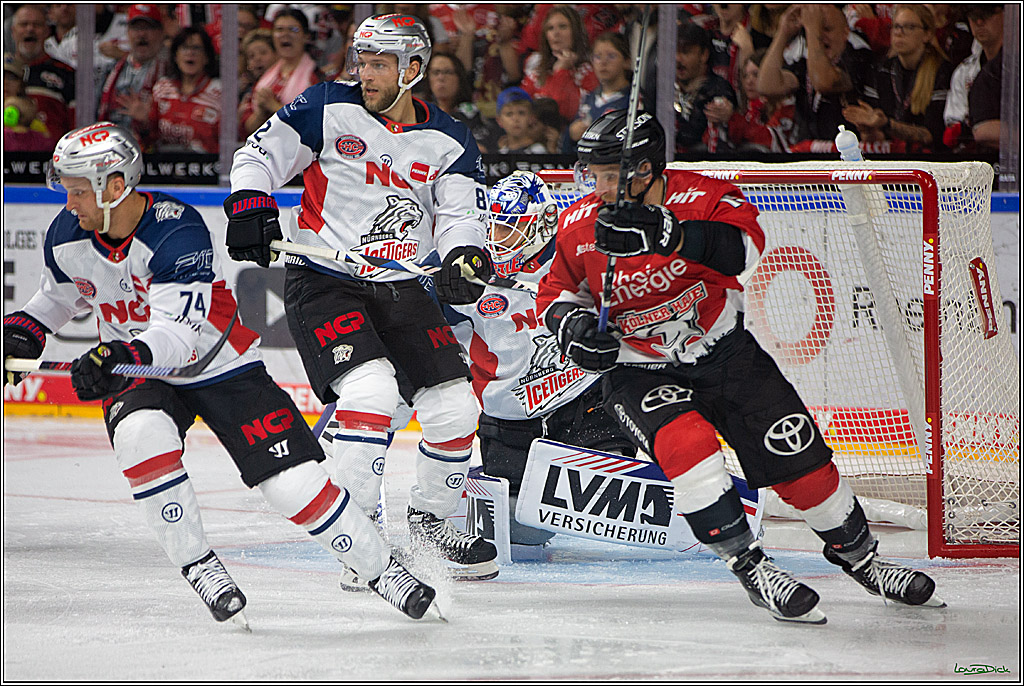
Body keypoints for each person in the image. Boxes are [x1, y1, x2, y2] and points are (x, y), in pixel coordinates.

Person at [2, 122, 440, 624]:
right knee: (141, 434)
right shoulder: (66, 234)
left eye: (77, 189)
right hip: (141, 369)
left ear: (115, 186)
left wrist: (113, 357)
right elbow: (58, 298)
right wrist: (23, 331)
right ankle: (200, 565)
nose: (68, 200)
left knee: (290, 483)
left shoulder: (177, 230)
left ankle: (380, 569)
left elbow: (177, 337)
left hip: (218, 362)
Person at [535, 109, 945, 624]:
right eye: (593, 174)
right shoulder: (578, 224)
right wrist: (573, 329)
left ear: (646, 169)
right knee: (691, 451)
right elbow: (554, 294)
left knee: (805, 468)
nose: (599, 185)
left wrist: (671, 234)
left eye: (611, 174)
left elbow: (745, 252)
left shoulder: (703, 195)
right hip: (638, 370)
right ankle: (752, 567)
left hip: (725, 352)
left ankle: (861, 559)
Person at [223, 14, 499, 584]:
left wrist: (465, 255)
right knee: (371, 390)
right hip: (324, 276)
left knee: (455, 408)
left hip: (401, 287)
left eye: (379, 64)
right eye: (362, 61)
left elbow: (458, 215)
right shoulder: (327, 105)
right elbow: (257, 156)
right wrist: (250, 200)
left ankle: (427, 530)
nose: (365, 73)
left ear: (413, 70)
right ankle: (361, 536)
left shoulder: (450, 139)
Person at [444, 171, 637, 547]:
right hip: (510, 426)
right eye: (492, 229)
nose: (495, 242)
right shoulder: (467, 273)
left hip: (585, 406)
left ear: (544, 223)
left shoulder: (579, 259)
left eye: (508, 230)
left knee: (612, 496)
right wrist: (435, 289)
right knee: (523, 536)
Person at [756, 4, 877, 145]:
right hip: (809, 151)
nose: (820, 36)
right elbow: (767, 86)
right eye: (816, 30)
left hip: (846, 152)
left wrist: (813, 30)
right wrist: (783, 32)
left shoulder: (858, 54)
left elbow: (823, 82)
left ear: (845, 33)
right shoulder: (805, 58)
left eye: (827, 29)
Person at [841, 5, 952, 152]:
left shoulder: (942, 72)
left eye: (909, 27)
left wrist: (886, 124)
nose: (899, 33)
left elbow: (930, 135)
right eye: (896, 26)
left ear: (927, 34)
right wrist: (868, 128)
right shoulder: (880, 70)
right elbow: (876, 137)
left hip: (931, 160)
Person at [238, 8, 323, 139]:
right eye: (279, 30)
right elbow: (248, 129)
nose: (285, 34)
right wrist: (260, 113)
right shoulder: (265, 78)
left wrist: (275, 107)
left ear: (306, 36)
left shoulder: (316, 78)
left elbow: (315, 125)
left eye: (293, 29)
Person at [97, 4, 169, 149]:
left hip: (153, 152)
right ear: (128, 32)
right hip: (110, 147)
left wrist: (148, 120)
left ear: (161, 33)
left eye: (148, 28)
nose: (142, 34)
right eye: (136, 28)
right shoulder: (110, 70)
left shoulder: (170, 72)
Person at [144, 27, 221, 153]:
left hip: (207, 168)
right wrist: (143, 122)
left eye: (196, 48)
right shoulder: (162, 88)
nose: (190, 53)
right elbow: (149, 139)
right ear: (175, 56)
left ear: (207, 57)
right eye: (185, 48)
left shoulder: (220, 92)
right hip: (164, 166)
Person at [520, 5, 599, 124]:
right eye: (550, 28)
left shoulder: (589, 71)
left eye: (563, 27)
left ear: (576, 31)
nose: (556, 33)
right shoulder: (537, 71)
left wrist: (561, 71)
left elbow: (563, 112)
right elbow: (522, 110)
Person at [9, 4, 76, 140]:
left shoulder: (66, 73)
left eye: (37, 25)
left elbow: (77, 126)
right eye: (24, 24)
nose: (30, 29)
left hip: (52, 157)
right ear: (13, 31)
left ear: (47, 31)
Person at [942, 4, 1003, 151]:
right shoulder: (964, 72)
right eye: (973, 16)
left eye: (987, 14)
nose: (979, 22)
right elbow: (953, 132)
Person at [673, 22, 738, 154]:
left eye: (685, 52)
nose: (678, 59)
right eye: (675, 51)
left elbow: (691, 136)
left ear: (704, 55)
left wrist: (727, 112)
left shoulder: (718, 90)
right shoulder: (663, 87)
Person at [422, 52, 499, 153]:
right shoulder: (422, 113)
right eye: (436, 72)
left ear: (459, 77)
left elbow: (480, 150)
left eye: (447, 72)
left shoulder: (470, 114)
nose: (440, 78)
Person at [568, 31, 632, 143]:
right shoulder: (587, 99)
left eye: (611, 56)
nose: (603, 62)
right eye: (598, 57)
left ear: (626, 62)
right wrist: (572, 134)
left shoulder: (633, 100)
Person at [496, 86, 547, 154]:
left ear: (531, 118)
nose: (516, 119)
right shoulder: (500, 154)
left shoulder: (538, 152)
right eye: (509, 114)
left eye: (521, 113)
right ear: (499, 120)